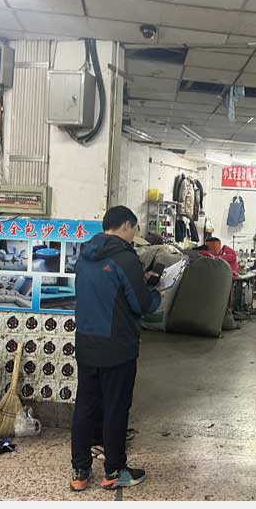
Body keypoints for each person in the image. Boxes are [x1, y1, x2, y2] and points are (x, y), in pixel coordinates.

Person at [70, 206, 161, 492]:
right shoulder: (125, 257)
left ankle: (80, 471)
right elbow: (142, 304)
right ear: (125, 226)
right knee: (115, 409)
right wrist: (156, 293)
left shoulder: (83, 255)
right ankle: (114, 471)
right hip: (117, 347)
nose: (133, 236)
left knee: (85, 407)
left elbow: (103, 289)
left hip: (86, 343)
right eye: (134, 229)